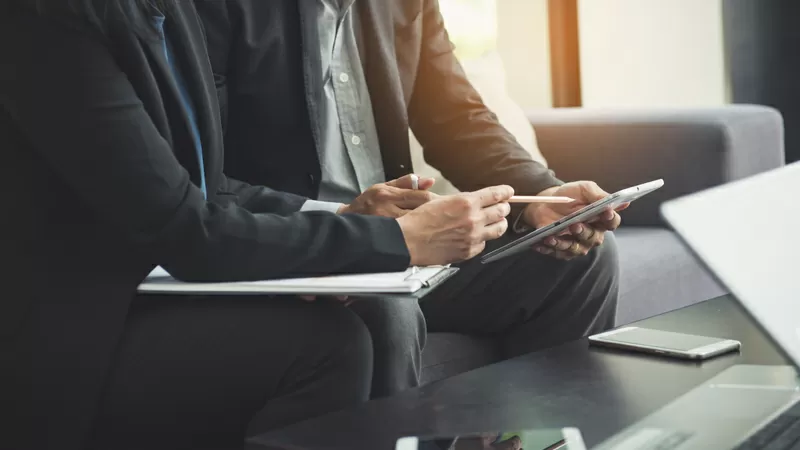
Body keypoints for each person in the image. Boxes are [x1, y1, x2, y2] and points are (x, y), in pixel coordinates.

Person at [0, 1, 515, 448]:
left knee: (364, 322)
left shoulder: (166, 11)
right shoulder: (47, 24)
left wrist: (344, 228)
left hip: (147, 284)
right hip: (76, 325)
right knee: (333, 346)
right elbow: (184, 230)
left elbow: (209, 185)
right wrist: (393, 242)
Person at [194, 0, 622, 398]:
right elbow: (199, 179)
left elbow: (455, 118)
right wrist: (346, 221)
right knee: (384, 312)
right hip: (291, 246)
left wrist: (541, 195)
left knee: (580, 260)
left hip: (404, 245)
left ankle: (534, 438)